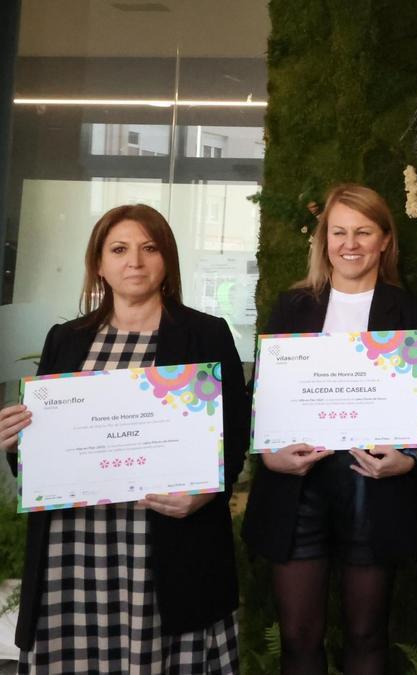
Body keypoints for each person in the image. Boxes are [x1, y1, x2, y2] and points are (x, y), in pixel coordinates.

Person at [0, 204, 248, 673]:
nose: (134, 261)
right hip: (73, 547)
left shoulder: (206, 335)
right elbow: (45, 450)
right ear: (99, 264)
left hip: (169, 545)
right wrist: (16, 444)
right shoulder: (66, 340)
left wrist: (205, 493)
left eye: (148, 248)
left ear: (167, 260)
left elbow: (233, 437)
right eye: (119, 249)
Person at [241, 184, 417, 675]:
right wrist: (268, 454)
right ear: (324, 239)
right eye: (339, 231)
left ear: (385, 240)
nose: (351, 243)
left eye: (364, 231)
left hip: (373, 484)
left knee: (368, 635)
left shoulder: (410, 312)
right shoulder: (293, 306)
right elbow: (265, 394)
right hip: (297, 488)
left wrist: (409, 457)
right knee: (300, 637)